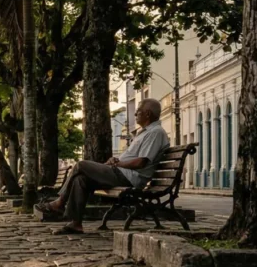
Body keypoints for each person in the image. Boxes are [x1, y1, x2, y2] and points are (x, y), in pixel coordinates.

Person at [36, 98, 169, 234]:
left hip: (128, 177)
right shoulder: (145, 132)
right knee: (80, 179)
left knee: (80, 165)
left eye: (138, 112)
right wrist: (116, 160)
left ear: (147, 114)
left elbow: (141, 162)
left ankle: (59, 203)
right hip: (120, 172)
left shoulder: (155, 133)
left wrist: (118, 163)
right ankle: (75, 224)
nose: (135, 115)